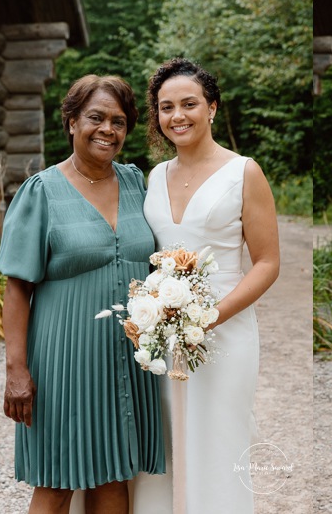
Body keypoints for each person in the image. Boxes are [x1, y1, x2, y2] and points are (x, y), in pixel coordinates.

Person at [0, 75, 165, 514]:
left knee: (114, 474)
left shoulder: (135, 184)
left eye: (119, 121)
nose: (108, 129)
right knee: (57, 480)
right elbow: (16, 287)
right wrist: (17, 369)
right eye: (96, 118)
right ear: (71, 122)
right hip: (63, 361)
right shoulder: (42, 191)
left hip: (126, 359)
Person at [132, 58, 280, 513]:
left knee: (219, 437)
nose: (178, 115)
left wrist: (211, 315)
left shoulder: (244, 172)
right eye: (166, 106)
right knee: (167, 437)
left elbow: (268, 262)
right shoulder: (155, 176)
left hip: (224, 329)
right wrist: (153, 312)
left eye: (189, 104)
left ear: (212, 107)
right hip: (162, 330)